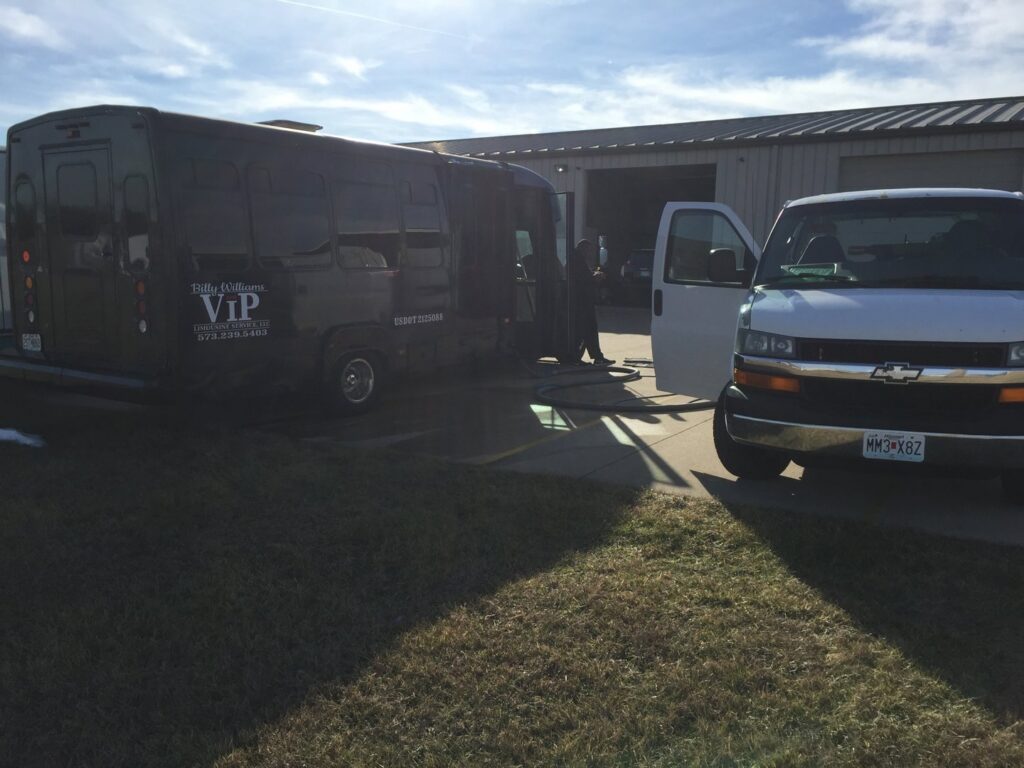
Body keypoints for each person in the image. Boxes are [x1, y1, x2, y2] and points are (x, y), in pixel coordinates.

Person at [568, 239, 613, 365]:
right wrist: (595, 277)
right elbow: (582, 280)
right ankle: (582, 357)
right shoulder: (577, 261)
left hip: (583, 301)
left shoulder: (576, 259)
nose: (590, 254)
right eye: (588, 250)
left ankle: (594, 356)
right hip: (581, 302)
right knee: (586, 329)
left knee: (587, 330)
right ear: (583, 249)